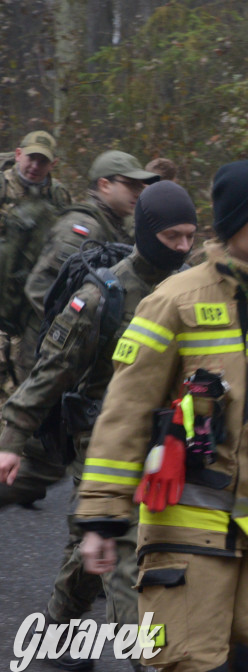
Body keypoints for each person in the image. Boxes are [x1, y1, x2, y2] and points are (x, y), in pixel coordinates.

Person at [76, 161, 248, 672]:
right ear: (233, 221)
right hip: (185, 538)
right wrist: (102, 518)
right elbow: (123, 412)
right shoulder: (174, 302)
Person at [0, 181, 197, 672]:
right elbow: (48, 375)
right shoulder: (102, 295)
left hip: (164, 437)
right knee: (129, 546)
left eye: (190, 237)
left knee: (96, 537)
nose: (183, 247)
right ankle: (155, 663)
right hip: (100, 438)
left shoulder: (190, 289)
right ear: (149, 232)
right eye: (173, 236)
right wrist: (9, 441)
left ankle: (57, 628)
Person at [0, 150, 159, 509]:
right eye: (130, 184)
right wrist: (77, 332)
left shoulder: (115, 225)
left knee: (49, 453)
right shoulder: (82, 228)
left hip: (77, 356)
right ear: (104, 185)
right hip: (52, 351)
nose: (137, 192)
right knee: (49, 447)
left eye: (141, 185)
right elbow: (42, 288)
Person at [0, 130, 72, 396]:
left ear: (52, 164)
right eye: (30, 158)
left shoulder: (58, 196)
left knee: (26, 383)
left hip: (32, 305)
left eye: (43, 161)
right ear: (18, 154)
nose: (34, 166)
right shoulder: (3, 187)